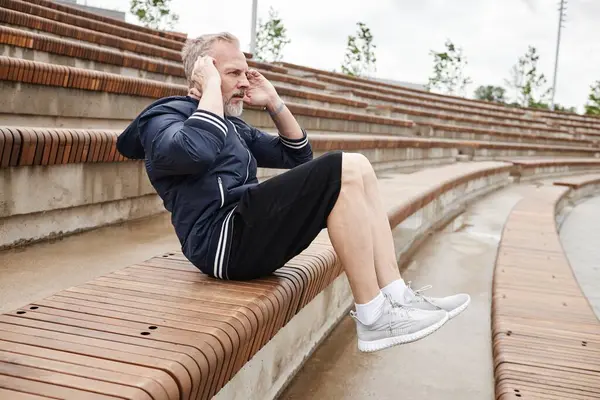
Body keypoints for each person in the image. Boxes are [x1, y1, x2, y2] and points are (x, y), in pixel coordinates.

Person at [116, 32, 470, 353]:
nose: (243, 81)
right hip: (219, 242)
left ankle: (396, 295)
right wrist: (209, 87)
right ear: (202, 72)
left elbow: (296, 155)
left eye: (245, 72)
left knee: (357, 165)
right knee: (339, 169)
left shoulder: (231, 124)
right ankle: (373, 316)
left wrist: (274, 102)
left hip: (245, 231)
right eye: (233, 73)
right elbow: (194, 151)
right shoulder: (163, 118)